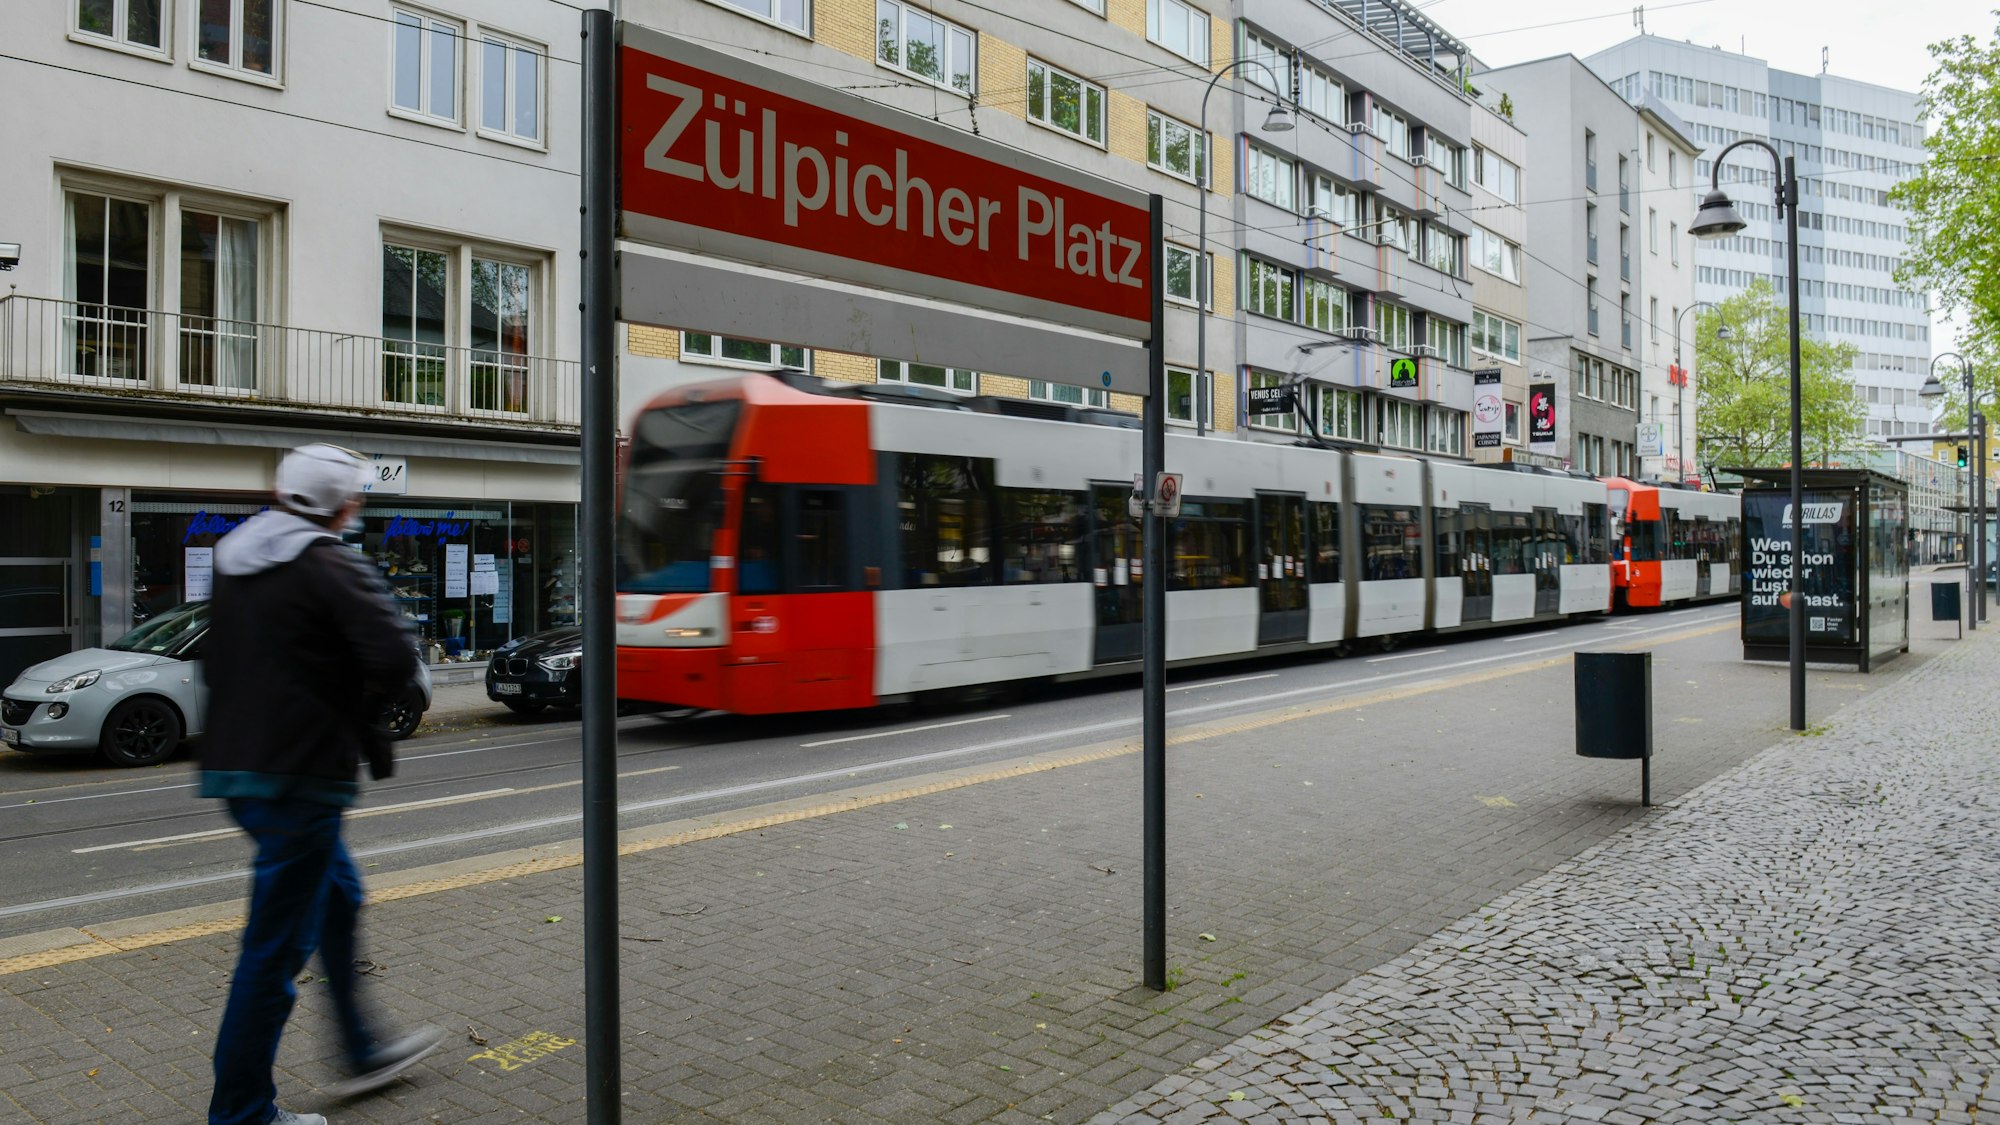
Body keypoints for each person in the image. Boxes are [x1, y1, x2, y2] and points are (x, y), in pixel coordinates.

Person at [201, 444, 442, 1125]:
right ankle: (243, 1112)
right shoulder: (328, 561)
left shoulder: (236, 555)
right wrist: (359, 700)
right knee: (272, 954)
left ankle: (363, 1048)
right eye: (355, 497)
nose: (357, 506)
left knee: (339, 896)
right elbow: (394, 657)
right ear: (340, 504)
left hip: (236, 768)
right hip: (301, 774)